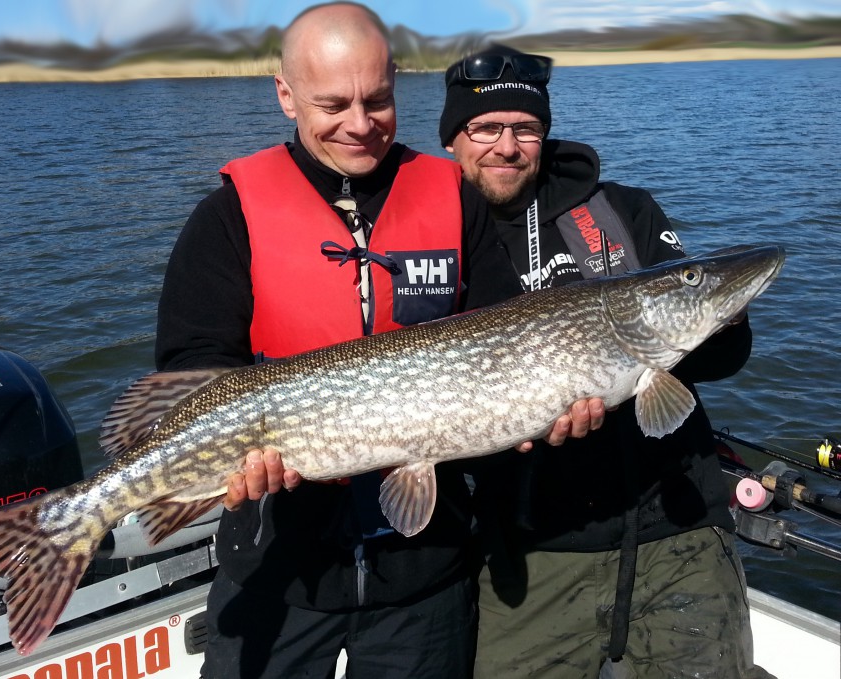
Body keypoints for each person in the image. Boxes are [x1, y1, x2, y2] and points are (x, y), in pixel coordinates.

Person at [154, 5, 605, 677]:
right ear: (285, 95)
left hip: (425, 576)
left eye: (379, 100)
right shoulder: (229, 215)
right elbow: (192, 364)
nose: (361, 124)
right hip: (280, 569)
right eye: (333, 103)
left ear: (397, 83)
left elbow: (507, 340)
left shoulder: (455, 197)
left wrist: (555, 405)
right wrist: (235, 460)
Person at [439, 44, 773, 678]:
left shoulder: (623, 210)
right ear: (454, 136)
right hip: (535, 550)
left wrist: (723, 314)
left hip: (679, 527)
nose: (507, 146)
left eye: (526, 129)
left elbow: (724, 357)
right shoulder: (438, 237)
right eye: (485, 128)